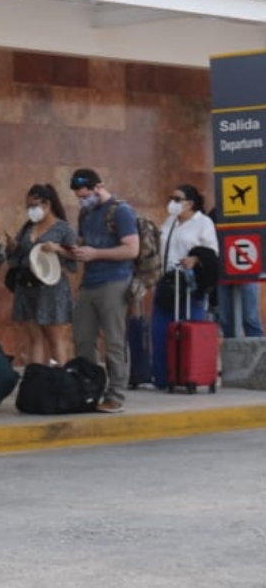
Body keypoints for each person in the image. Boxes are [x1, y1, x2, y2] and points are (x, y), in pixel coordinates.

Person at [68, 168, 139, 413]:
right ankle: (89, 388)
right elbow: (81, 244)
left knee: (114, 341)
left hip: (114, 282)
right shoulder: (86, 214)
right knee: (83, 339)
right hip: (89, 283)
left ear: (98, 187)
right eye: (79, 196)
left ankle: (116, 394)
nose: (82, 200)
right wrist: (62, 249)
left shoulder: (121, 212)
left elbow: (131, 249)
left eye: (85, 194)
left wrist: (96, 254)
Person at [151, 184, 219, 389]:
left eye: (177, 199)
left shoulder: (203, 222)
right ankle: (164, 377)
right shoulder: (170, 221)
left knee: (189, 329)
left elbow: (212, 251)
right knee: (160, 330)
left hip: (190, 283)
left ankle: (189, 374)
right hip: (167, 280)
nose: (172, 202)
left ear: (190, 203)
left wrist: (195, 258)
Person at [5, 183, 77, 366]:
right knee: (34, 338)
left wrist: (58, 249)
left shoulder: (63, 229)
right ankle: (36, 380)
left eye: (34, 206)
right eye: (28, 207)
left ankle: (62, 382)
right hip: (27, 286)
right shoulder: (27, 228)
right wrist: (13, 247)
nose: (31, 211)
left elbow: (75, 257)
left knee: (56, 338)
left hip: (51, 288)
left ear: (47, 204)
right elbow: (18, 255)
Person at [209, 205, 264, 338]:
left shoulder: (255, 210)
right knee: (225, 318)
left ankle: (258, 356)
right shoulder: (216, 213)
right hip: (223, 269)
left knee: (250, 317)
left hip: (248, 268)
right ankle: (231, 354)